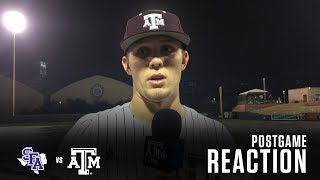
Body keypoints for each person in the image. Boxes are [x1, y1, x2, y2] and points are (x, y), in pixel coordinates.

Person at [52, 9, 239, 180]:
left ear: (184, 59)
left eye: (167, 49)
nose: (156, 61)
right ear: (126, 64)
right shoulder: (89, 132)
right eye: (143, 51)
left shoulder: (217, 137)